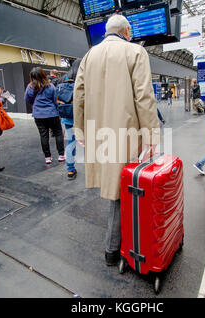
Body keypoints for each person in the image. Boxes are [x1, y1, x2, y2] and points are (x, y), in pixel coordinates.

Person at [73, 14, 160, 266]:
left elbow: (79, 95)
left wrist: (81, 131)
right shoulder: (135, 52)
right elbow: (144, 96)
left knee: (115, 186)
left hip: (99, 133)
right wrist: (152, 134)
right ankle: (114, 249)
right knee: (124, 188)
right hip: (126, 132)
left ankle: (121, 244)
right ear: (126, 31)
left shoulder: (89, 56)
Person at [25, 67, 65, 164]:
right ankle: (61, 155)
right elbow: (55, 100)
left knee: (44, 135)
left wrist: (36, 105)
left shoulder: (30, 87)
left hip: (38, 115)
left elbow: (27, 99)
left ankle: (47, 157)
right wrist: (57, 110)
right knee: (58, 133)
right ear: (43, 75)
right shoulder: (50, 86)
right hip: (52, 114)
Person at [56, 59, 81, 180]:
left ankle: (70, 169)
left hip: (68, 119)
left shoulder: (62, 82)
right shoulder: (84, 81)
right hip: (84, 120)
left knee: (71, 143)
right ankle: (95, 171)